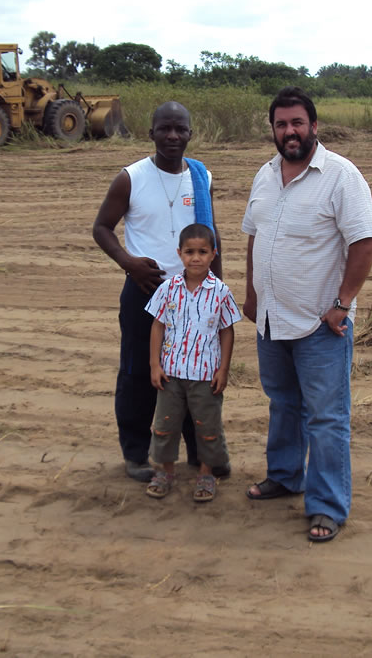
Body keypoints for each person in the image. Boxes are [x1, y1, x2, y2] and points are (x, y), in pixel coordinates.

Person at [241, 87, 372, 542]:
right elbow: (253, 237)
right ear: (273, 130)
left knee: (326, 417)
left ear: (314, 125)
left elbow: (364, 240)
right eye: (281, 124)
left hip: (321, 322)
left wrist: (343, 303)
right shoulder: (264, 175)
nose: (290, 131)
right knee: (283, 404)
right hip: (271, 318)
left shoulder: (341, 176)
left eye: (297, 123)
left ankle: (326, 507)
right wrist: (251, 293)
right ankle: (284, 477)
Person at [93, 101, 229, 482]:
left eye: (180, 129)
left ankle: (202, 454)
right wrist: (128, 262)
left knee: (196, 375)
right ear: (151, 132)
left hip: (195, 295)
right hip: (145, 293)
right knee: (139, 374)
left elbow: (212, 236)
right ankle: (136, 454)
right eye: (164, 128)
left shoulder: (202, 177)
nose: (172, 136)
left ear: (190, 133)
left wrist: (218, 292)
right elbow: (101, 228)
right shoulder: (130, 178)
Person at [144, 223, 242, 501]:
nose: (195, 258)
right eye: (189, 252)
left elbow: (227, 331)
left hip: (205, 376)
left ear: (214, 254)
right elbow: (157, 325)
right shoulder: (168, 288)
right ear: (179, 254)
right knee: (165, 424)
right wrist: (154, 364)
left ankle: (206, 474)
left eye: (202, 252)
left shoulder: (220, 292)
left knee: (208, 426)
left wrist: (223, 369)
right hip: (170, 374)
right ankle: (164, 472)